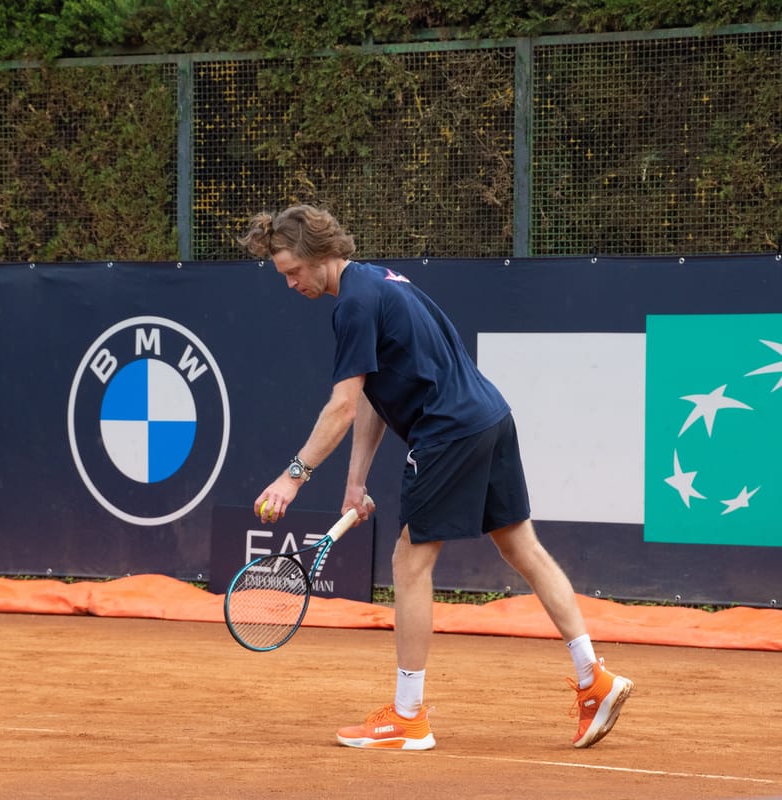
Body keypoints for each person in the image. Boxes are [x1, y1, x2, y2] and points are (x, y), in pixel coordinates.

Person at [240, 204, 633, 751]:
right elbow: (375, 397)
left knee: (410, 561)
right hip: (491, 417)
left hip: (448, 432)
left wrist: (293, 477)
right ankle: (595, 677)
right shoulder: (379, 281)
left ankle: (407, 717)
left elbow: (343, 406)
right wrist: (356, 482)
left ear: (318, 255)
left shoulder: (352, 304)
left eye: (292, 271)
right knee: (523, 547)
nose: (290, 284)